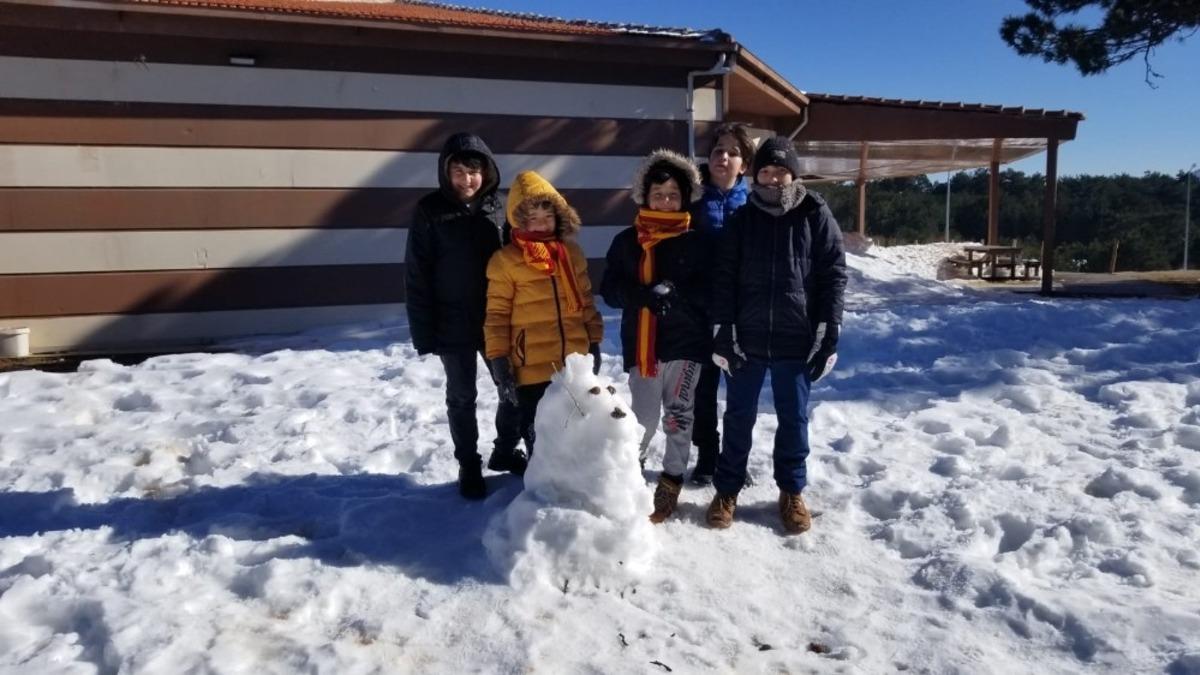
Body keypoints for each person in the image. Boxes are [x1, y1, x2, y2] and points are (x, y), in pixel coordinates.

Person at [705, 136, 848, 535]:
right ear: (755, 174)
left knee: (793, 419)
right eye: (765, 171)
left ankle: (791, 492)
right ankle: (727, 490)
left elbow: (833, 273)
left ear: (793, 173)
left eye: (780, 170)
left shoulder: (814, 213)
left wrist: (829, 328)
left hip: (795, 336)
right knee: (737, 418)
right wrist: (723, 329)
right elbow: (724, 278)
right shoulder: (741, 219)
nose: (772, 178)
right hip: (746, 337)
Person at [404, 132, 520, 501]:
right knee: (461, 396)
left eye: (474, 171)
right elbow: (416, 274)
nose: (467, 179)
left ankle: (504, 450)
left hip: (497, 318)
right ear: (446, 171)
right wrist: (424, 333)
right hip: (449, 320)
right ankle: (468, 462)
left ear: (486, 171)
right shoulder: (429, 210)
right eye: (458, 171)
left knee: (511, 390)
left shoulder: (501, 207)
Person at [599, 149, 711, 523]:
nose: (666, 201)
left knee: (679, 415)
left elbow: (710, 291)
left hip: (686, 345)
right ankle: (630, 473)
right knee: (643, 418)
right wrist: (642, 296)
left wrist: (678, 297)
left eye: (673, 195)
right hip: (644, 348)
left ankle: (672, 479)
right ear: (645, 196)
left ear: (685, 199)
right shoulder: (626, 241)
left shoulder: (697, 241)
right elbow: (610, 288)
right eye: (658, 194)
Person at [484, 170, 604, 466]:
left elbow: (586, 301)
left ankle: (572, 484)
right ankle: (541, 497)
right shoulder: (506, 261)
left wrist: (595, 340)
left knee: (573, 429)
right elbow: (497, 316)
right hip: (531, 367)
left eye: (546, 215)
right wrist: (499, 359)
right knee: (539, 436)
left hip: (572, 361)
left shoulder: (571, 254)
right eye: (531, 217)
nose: (540, 223)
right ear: (518, 220)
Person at [688, 123, 756, 486]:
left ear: (744, 165)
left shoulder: (757, 204)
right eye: (717, 150)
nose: (723, 157)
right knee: (703, 389)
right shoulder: (692, 198)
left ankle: (735, 459)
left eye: (732, 152)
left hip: (743, 314)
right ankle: (707, 455)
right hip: (700, 310)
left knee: (740, 391)